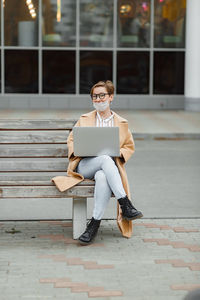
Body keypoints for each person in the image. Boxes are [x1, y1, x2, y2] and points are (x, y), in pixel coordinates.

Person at [52, 80, 143, 245]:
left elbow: (129, 146)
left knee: (102, 176)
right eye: (95, 96)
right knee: (104, 159)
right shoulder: (85, 118)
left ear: (111, 97)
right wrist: (80, 148)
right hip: (85, 165)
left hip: (106, 169)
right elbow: (71, 141)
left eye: (102, 95)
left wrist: (118, 152)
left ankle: (93, 224)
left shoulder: (121, 122)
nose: (99, 100)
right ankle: (125, 204)